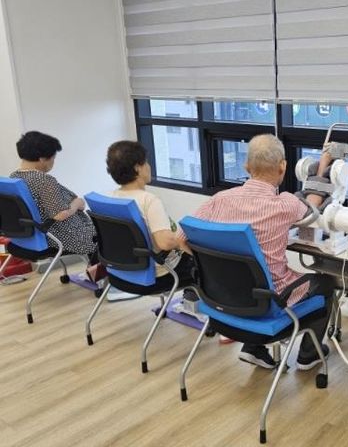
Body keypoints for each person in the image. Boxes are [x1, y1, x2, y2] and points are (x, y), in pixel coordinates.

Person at [178, 134, 335, 370]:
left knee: (250, 279)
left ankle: (253, 348)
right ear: (283, 167)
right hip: (268, 305)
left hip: (222, 299)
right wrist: (323, 168)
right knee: (324, 282)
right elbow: (313, 204)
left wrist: (212, 269)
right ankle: (308, 355)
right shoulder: (284, 204)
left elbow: (180, 238)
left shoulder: (219, 200)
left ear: (246, 166)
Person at [105, 141, 195, 290]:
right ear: (138, 168)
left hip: (119, 275)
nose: (149, 166)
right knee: (204, 265)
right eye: (146, 162)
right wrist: (185, 239)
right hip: (157, 277)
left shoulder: (110, 198)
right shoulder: (149, 201)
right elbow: (165, 243)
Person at [10, 131, 97, 258]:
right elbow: (60, 214)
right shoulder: (43, 180)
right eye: (53, 158)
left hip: (30, 238)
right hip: (59, 237)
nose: (53, 162)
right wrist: (77, 203)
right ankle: (96, 269)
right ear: (42, 159)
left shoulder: (14, 177)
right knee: (106, 236)